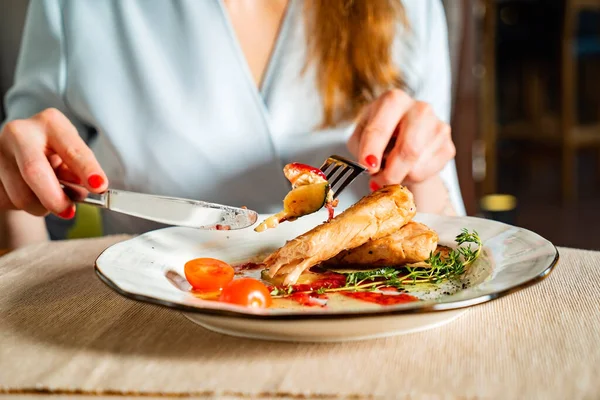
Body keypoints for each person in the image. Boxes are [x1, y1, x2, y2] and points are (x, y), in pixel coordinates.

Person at [0, 0, 464, 248]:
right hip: (153, 335)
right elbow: (32, 254)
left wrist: (417, 168)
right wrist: (12, 196)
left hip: (375, 325)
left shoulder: (410, 6)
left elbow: (451, 240)